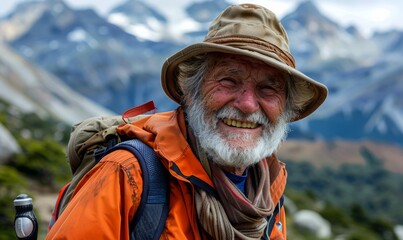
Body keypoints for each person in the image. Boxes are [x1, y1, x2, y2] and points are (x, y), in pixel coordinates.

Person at [46, 3, 327, 240]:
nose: (247, 104)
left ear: (285, 109)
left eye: (269, 89)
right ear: (190, 92)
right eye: (229, 80)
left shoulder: (267, 192)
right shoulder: (127, 175)